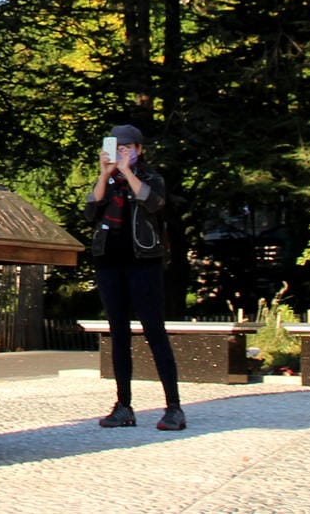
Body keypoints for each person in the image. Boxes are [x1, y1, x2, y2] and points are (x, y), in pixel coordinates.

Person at [83, 124, 184, 431]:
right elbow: (90, 212)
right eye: (118, 147)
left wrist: (127, 173)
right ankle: (123, 405)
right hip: (109, 263)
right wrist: (104, 173)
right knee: (119, 334)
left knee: (155, 332)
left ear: (139, 150)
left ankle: (174, 408)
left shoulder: (151, 178)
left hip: (144, 262)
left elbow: (153, 203)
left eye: (128, 147)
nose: (122, 152)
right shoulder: (108, 180)